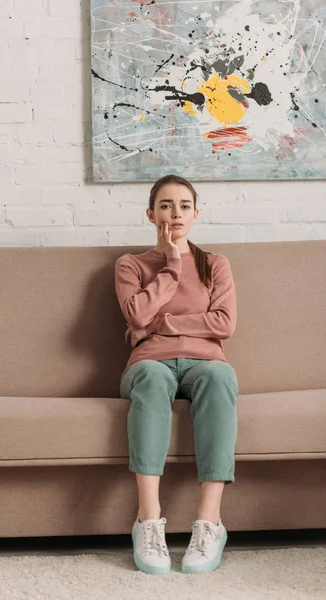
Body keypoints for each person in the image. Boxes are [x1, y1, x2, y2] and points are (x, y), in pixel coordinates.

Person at [114, 174, 239, 575]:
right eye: (166, 205)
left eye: (185, 205)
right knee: (151, 377)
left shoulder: (214, 264)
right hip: (150, 364)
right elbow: (135, 314)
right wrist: (170, 265)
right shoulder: (131, 265)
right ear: (151, 214)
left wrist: (157, 326)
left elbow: (223, 324)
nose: (176, 213)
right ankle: (148, 521)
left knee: (219, 378)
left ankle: (210, 523)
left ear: (196, 214)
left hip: (205, 363)